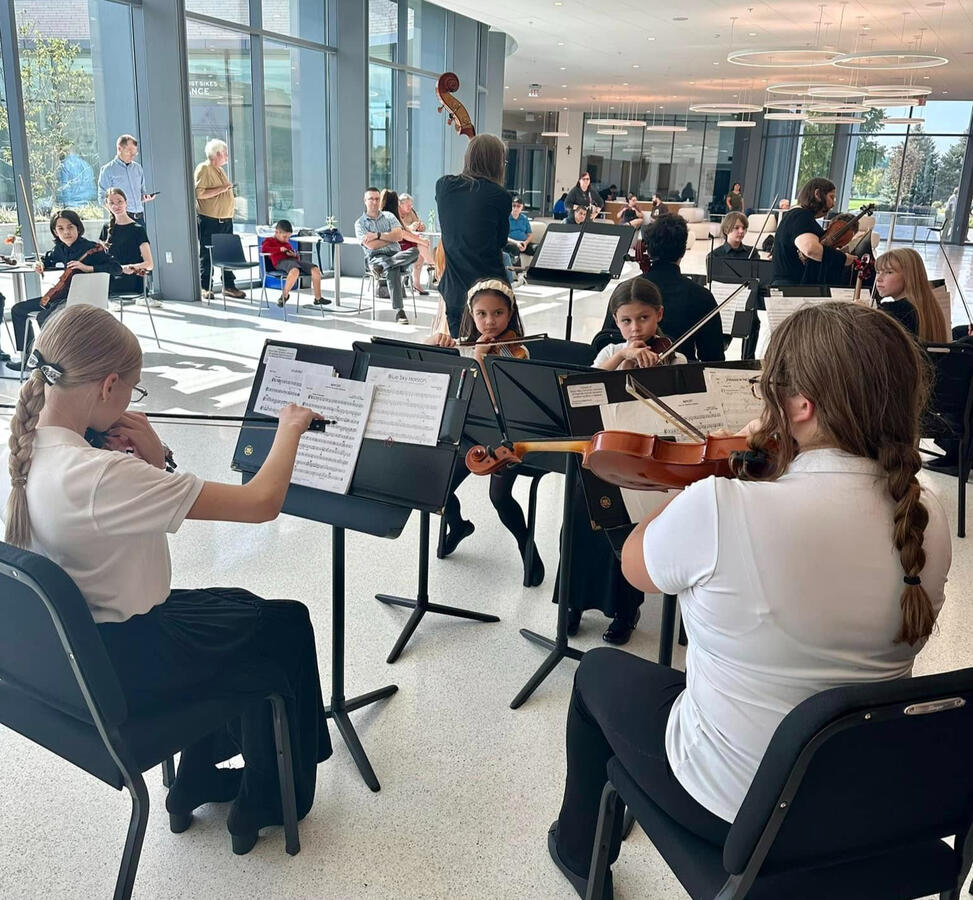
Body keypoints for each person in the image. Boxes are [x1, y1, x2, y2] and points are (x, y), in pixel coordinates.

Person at [548, 301, 951, 898]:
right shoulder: (925, 512)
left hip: (739, 807)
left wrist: (702, 486)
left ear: (801, 406)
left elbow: (635, 567)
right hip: (873, 801)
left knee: (598, 672)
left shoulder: (721, 504)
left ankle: (577, 848)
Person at [1, 305, 333, 856]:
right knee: (286, 626)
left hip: (76, 660)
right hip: (132, 663)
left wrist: (158, 459)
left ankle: (196, 779)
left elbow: (131, 504)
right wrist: (290, 429)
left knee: (245, 610)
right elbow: (261, 503)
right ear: (109, 384)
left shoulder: (29, 448)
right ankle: (269, 800)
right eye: (132, 391)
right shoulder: (102, 473)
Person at [426, 279, 544, 585]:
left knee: (499, 497)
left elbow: (496, 400)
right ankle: (458, 525)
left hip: (507, 437)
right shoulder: (466, 345)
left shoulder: (517, 353)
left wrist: (481, 356)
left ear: (510, 314)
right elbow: (453, 391)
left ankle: (526, 546)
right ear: (471, 314)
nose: (490, 322)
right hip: (470, 434)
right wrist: (434, 346)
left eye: (498, 313)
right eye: (482, 314)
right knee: (437, 489)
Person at [6, 209, 122, 372]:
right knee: (18, 310)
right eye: (60, 228)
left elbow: (116, 269)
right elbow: (47, 260)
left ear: (78, 228)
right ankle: (27, 359)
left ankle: (55, 359)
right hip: (61, 297)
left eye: (70, 227)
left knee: (44, 316)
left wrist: (87, 267)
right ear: (55, 231)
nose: (66, 232)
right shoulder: (60, 249)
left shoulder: (92, 248)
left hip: (83, 298)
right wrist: (39, 265)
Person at [612, 214, 724, 363]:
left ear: (649, 249)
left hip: (618, 380)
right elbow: (713, 360)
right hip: (682, 381)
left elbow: (606, 340)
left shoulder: (625, 292)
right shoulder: (702, 297)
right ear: (683, 250)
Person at [436, 134, 512, 337]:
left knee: (463, 355)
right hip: (489, 290)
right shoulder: (500, 196)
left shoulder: (443, 186)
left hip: (455, 290)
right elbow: (501, 241)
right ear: (498, 163)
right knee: (497, 356)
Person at [772, 177, 855, 286]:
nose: (833, 204)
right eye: (831, 197)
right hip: (793, 289)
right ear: (817, 194)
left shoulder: (794, 215)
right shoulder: (801, 216)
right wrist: (843, 259)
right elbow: (810, 249)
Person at [355, 187, 419, 325]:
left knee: (415, 252)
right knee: (393, 269)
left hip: (396, 255)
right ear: (364, 200)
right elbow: (371, 246)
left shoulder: (389, 216)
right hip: (376, 257)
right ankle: (399, 312)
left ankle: (383, 267)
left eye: (377, 199)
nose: (374, 202)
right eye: (371, 198)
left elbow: (399, 235)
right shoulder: (360, 223)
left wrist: (377, 235)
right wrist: (390, 237)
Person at [593, 278, 684, 370]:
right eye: (626, 320)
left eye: (643, 318)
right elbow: (590, 381)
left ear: (659, 314)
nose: (635, 328)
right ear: (616, 321)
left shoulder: (675, 360)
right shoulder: (610, 352)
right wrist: (622, 355)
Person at [195, 138, 244, 301]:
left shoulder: (220, 170)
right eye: (225, 153)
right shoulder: (204, 168)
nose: (227, 157)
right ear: (216, 154)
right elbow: (199, 193)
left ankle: (229, 286)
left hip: (225, 219)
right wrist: (223, 188)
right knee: (207, 253)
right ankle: (205, 286)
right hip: (210, 219)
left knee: (228, 253)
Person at [873, 248, 950, 343]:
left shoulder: (892, 311)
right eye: (878, 272)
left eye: (889, 272)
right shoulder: (928, 306)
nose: (879, 279)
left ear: (908, 276)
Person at [99, 187, 159, 307]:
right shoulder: (106, 228)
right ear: (107, 205)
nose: (116, 206)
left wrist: (127, 268)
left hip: (133, 284)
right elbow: (101, 259)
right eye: (112, 203)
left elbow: (149, 264)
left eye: (119, 201)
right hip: (110, 285)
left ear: (126, 202)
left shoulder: (137, 229)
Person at [259, 219, 331, 308]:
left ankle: (318, 298)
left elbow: (295, 257)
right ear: (277, 232)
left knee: (315, 269)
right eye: (284, 237)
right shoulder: (269, 240)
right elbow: (264, 250)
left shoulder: (286, 243)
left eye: (288, 237)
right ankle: (284, 295)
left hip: (293, 261)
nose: (287, 239)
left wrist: (294, 254)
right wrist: (279, 249)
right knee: (295, 271)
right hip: (280, 262)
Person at [98, 134, 154, 224]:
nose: (132, 156)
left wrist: (145, 197)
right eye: (129, 152)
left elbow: (142, 192)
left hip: (139, 217)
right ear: (119, 149)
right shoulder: (108, 170)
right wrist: (117, 215)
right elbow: (102, 198)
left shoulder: (138, 168)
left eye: (135, 153)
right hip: (121, 218)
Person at [396, 192, 435, 295]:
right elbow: (399, 230)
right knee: (422, 244)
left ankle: (417, 283)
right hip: (399, 242)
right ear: (401, 204)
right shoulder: (396, 213)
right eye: (408, 205)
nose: (410, 207)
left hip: (412, 240)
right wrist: (410, 228)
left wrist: (421, 226)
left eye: (411, 205)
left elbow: (420, 224)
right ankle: (433, 266)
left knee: (422, 250)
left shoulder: (411, 212)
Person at [506, 195, 534, 264]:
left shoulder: (524, 218)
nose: (515, 208)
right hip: (511, 244)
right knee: (515, 250)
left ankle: (536, 272)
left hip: (523, 243)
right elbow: (503, 236)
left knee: (537, 248)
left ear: (522, 207)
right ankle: (517, 273)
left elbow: (530, 235)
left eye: (518, 206)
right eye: (514, 205)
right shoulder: (506, 218)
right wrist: (516, 243)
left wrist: (525, 243)